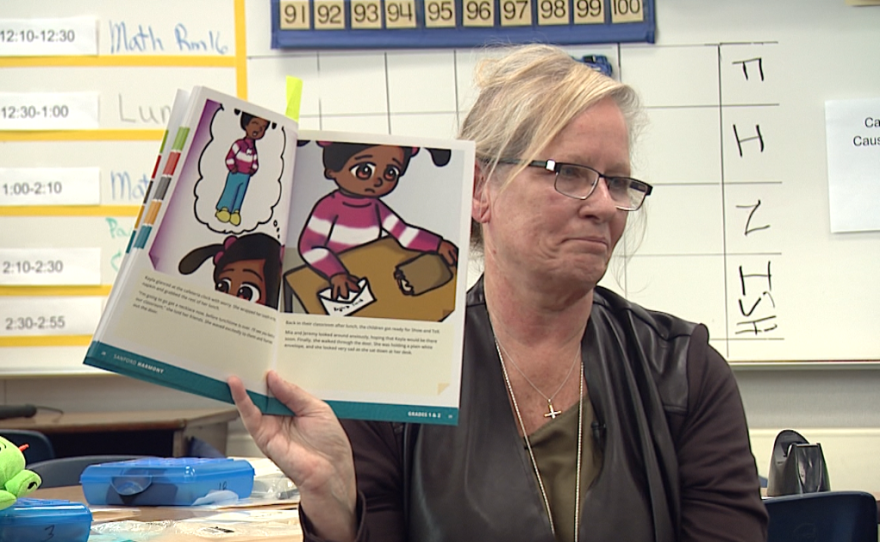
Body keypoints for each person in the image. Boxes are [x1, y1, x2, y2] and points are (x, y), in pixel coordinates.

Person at [227, 44, 768, 541]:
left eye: (619, 182)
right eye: (571, 173)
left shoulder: (681, 373)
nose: (604, 205)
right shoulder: (394, 374)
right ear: (480, 189)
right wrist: (335, 503)